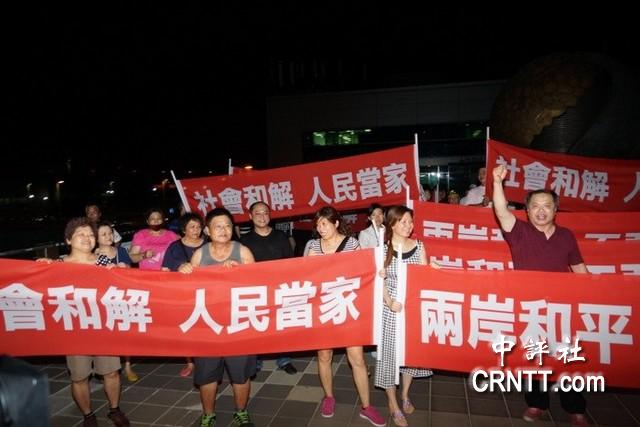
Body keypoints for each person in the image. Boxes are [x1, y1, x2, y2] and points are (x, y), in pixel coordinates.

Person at [492, 164, 589, 427]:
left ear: (556, 210)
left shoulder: (566, 236)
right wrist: (497, 182)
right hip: (531, 309)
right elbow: (501, 211)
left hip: (563, 309)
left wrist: (595, 295)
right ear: (527, 210)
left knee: (568, 357)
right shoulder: (519, 232)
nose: (541, 210)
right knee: (535, 356)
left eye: (547, 205)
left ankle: (575, 407)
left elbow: (579, 268)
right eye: (535, 206)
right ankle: (537, 403)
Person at [40, 217, 130, 427]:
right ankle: (88, 415)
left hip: (102, 325)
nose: (87, 238)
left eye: (90, 235)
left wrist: (121, 272)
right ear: (68, 240)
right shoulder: (57, 266)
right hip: (74, 329)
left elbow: (121, 288)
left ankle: (114, 409)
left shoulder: (104, 263)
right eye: (81, 234)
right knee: (79, 376)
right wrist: (40, 268)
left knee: (111, 372)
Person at [305, 206, 386, 427]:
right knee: (324, 356)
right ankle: (329, 397)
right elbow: (307, 277)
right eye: (318, 224)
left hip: (348, 306)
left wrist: (378, 272)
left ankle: (367, 406)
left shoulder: (351, 244)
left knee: (357, 359)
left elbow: (364, 269)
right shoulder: (313, 246)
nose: (320, 228)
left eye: (324, 223)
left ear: (336, 223)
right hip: (323, 309)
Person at [180, 208, 256, 427]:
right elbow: (188, 291)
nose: (224, 230)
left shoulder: (243, 251)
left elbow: (258, 284)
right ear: (207, 230)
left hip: (238, 325)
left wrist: (241, 271)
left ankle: (241, 412)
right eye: (218, 226)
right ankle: (208, 415)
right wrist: (184, 270)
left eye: (228, 225)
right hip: (208, 326)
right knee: (207, 375)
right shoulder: (199, 255)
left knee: (240, 374)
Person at [374, 206, 433, 427]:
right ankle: (393, 404)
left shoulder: (419, 246)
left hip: (412, 310)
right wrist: (390, 301)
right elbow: (379, 283)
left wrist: (432, 268)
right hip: (390, 311)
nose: (409, 226)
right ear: (392, 224)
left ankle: (405, 393)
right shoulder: (383, 249)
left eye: (410, 221)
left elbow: (425, 278)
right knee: (389, 356)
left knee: (410, 355)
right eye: (403, 222)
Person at [240, 202, 298, 375]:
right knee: (258, 325)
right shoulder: (244, 240)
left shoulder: (280, 236)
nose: (262, 216)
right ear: (250, 216)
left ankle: (284, 359)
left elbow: (290, 262)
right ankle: (256, 360)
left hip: (279, 289)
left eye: (265, 212)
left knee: (281, 325)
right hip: (256, 291)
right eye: (257, 213)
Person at [161, 212, 206, 378]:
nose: (196, 230)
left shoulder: (209, 244)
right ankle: (190, 362)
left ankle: (209, 357)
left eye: (199, 227)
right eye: (192, 227)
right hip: (184, 295)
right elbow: (164, 271)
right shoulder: (175, 247)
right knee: (188, 328)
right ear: (183, 229)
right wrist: (178, 268)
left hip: (207, 294)